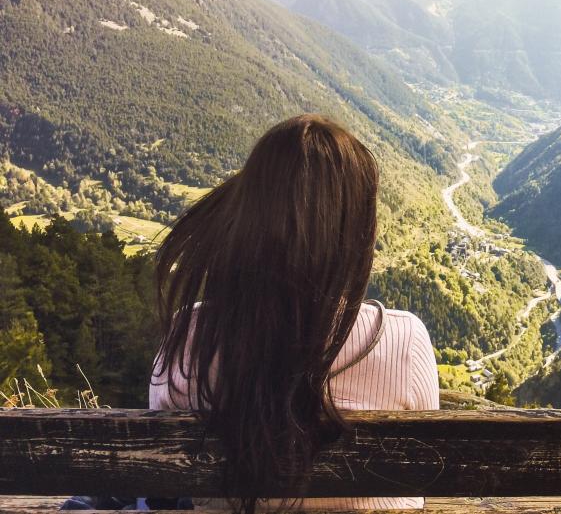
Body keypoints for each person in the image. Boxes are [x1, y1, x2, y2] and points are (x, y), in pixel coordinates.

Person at [149, 114, 439, 513]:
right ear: (353, 229)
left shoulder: (191, 336)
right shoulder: (404, 341)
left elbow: (159, 469)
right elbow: (427, 468)